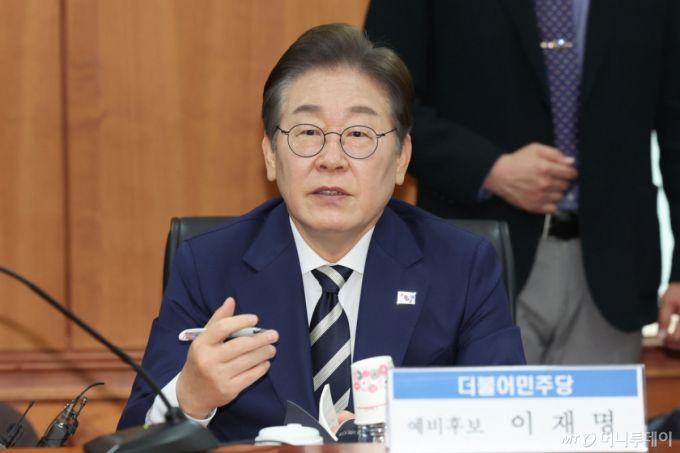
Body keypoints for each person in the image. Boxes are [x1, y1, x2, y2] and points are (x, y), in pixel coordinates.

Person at [117, 23, 525, 441]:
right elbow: (130, 440)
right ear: (270, 154)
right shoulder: (207, 266)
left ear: (401, 158)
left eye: (359, 134)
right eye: (309, 133)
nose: (332, 159)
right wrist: (190, 398)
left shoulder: (462, 267)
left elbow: (508, 431)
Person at [365, 0, 680, 364]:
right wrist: (488, 169)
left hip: (615, 270)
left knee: (600, 405)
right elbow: (380, 102)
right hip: (472, 257)